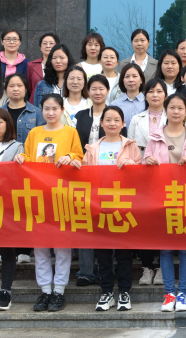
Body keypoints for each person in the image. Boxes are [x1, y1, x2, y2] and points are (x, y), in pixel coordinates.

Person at [14, 93, 83, 312]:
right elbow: (27, 157)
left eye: (55, 108)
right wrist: (21, 158)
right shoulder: (34, 133)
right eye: (46, 108)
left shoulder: (70, 132)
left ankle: (59, 291)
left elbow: (79, 156)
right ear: (41, 110)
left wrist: (70, 157)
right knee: (40, 247)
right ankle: (45, 290)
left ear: (62, 110)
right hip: (38, 197)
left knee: (62, 247)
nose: (51, 112)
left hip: (62, 196)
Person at [144, 94, 186, 313]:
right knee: (166, 250)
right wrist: (147, 161)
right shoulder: (155, 137)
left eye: (180, 108)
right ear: (166, 110)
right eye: (172, 107)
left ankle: (183, 294)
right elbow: (145, 163)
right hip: (162, 198)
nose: (176, 111)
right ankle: (169, 294)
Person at [81, 106, 141, 312]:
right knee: (103, 253)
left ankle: (124, 292)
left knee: (124, 253)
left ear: (123, 124)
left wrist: (131, 165)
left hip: (123, 206)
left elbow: (141, 176)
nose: (112, 123)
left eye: (116, 120)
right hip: (100, 206)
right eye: (108, 120)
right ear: (101, 123)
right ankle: (106, 292)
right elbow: (84, 175)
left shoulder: (131, 146)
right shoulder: (92, 148)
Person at [75, 75, 121, 147]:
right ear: (88, 91)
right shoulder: (80, 116)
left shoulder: (116, 115)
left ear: (108, 91)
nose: (98, 93)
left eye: (101, 89)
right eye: (94, 89)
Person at [127, 79, 167, 156]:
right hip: (141, 160)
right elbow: (130, 146)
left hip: (165, 161)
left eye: (159, 91)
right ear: (145, 96)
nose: (155, 95)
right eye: (151, 91)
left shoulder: (171, 118)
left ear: (165, 96)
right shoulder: (136, 119)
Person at [2, 73, 44, 145]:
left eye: (19, 85)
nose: (15, 89)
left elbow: (42, 137)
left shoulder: (37, 113)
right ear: (6, 89)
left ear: (26, 89)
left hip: (29, 152)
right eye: (11, 86)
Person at [109, 64, 146, 129]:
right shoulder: (114, 105)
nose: (131, 80)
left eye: (134, 76)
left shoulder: (148, 103)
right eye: (127, 77)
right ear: (122, 80)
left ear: (141, 80)